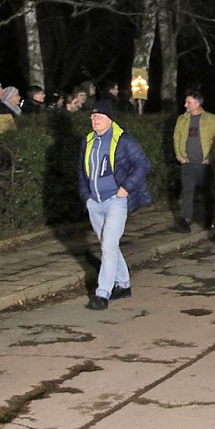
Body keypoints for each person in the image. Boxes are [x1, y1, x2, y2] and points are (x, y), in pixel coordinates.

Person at [78, 99, 152, 310]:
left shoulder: (123, 140)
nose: (95, 120)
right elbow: (82, 172)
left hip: (116, 201)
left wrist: (126, 188)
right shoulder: (88, 141)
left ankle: (102, 294)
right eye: (93, 116)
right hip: (95, 202)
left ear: (110, 119)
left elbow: (143, 164)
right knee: (108, 244)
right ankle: (124, 284)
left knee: (108, 246)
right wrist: (86, 196)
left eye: (100, 116)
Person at [173, 88, 215, 232]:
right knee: (187, 192)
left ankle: (209, 220)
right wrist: (179, 154)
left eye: (188, 103)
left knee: (207, 193)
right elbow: (176, 137)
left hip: (204, 165)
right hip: (187, 163)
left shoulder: (211, 119)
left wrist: (211, 157)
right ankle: (186, 220)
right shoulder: (182, 119)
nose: (185, 105)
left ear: (197, 103)